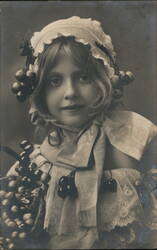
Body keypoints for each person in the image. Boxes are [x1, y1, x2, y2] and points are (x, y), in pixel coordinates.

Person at [7, 16, 157, 249]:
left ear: (104, 79)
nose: (70, 92)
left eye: (83, 77)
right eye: (55, 81)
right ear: (40, 92)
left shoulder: (133, 137)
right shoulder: (33, 167)